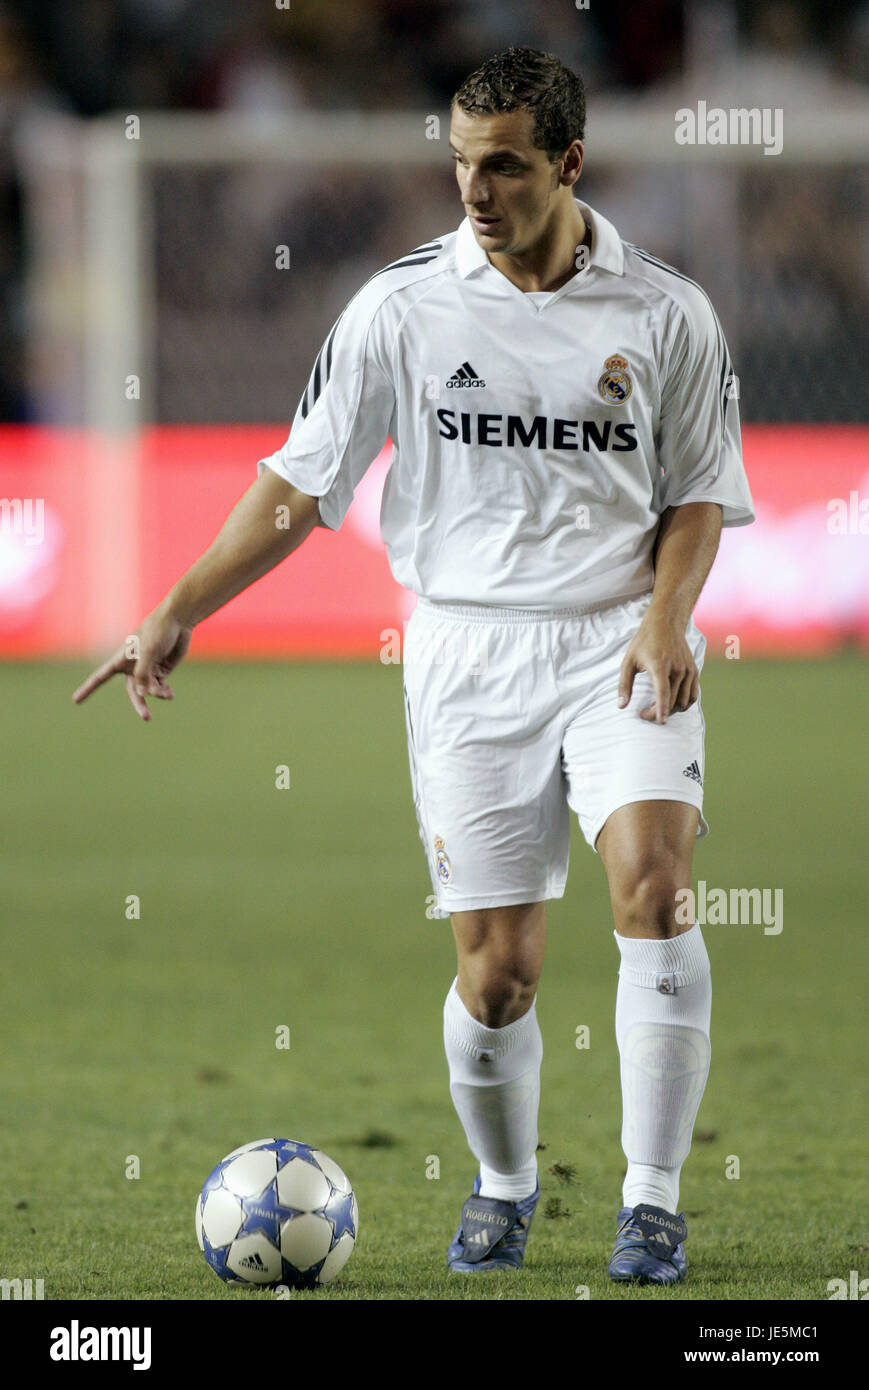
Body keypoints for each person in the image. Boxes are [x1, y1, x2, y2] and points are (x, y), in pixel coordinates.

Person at [73, 45, 754, 1286]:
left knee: (654, 893)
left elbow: (701, 491)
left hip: (617, 636)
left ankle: (650, 1202)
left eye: (501, 165)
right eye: (458, 164)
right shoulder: (400, 305)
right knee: (498, 978)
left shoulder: (665, 312)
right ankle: (502, 1183)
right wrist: (178, 606)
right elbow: (300, 483)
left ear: (567, 161)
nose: (474, 190)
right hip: (464, 651)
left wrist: (667, 614)